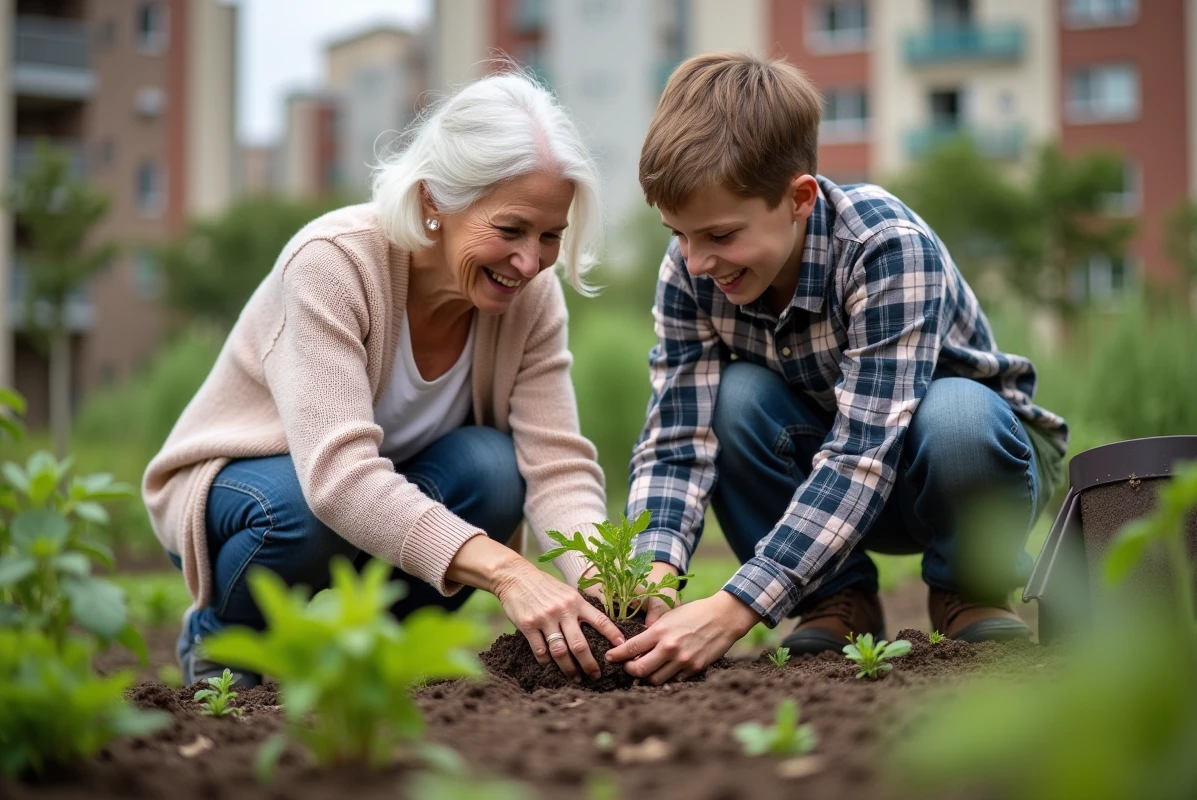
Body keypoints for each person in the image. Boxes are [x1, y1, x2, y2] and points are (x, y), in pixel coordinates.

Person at [143, 70, 625, 687]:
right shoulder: (333, 263)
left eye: (549, 235)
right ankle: (223, 641)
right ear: (434, 201)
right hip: (249, 494)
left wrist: (613, 588)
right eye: (509, 230)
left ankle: (377, 654)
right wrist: (509, 572)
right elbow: (338, 479)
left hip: (383, 495)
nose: (529, 262)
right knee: (300, 510)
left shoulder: (532, 299)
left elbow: (555, 466)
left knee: (496, 469)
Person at [604, 53, 1068, 685]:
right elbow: (677, 440)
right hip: (834, 489)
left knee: (955, 414)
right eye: (678, 234)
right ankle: (834, 598)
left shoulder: (885, 248)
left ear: (798, 198)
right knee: (731, 402)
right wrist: (654, 570)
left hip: (964, 467)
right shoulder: (690, 270)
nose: (696, 260)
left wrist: (735, 606)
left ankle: (970, 589)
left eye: (718, 235)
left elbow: (864, 450)